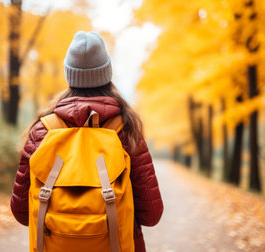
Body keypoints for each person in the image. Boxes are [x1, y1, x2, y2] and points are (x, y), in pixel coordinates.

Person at [10, 31, 163, 252]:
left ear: (69, 75)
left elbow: (22, 213)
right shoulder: (127, 130)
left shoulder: (43, 130)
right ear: (106, 74)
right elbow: (151, 215)